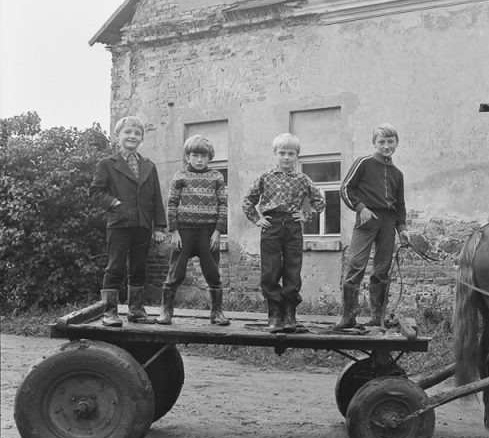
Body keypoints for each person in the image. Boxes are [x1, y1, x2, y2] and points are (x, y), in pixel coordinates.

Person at [242, 133, 325, 333]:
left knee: (292, 270)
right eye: (282, 153)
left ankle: (289, 312)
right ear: (275, 154)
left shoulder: (302, 179)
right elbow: (248, 201)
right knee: (270, 270)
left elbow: (319, 201)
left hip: (293, 227)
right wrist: (257, 218)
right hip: (271, 225)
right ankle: (274, 313)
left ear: (297, 156)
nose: (286, 158)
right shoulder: (265, 177)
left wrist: (305, 215)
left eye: (291, 154)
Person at [89, 115, 167, 326]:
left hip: (142, 224)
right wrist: (113, 202)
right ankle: (110, 313)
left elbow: (157, 199)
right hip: (119, 224)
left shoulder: (149, 166)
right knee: (115, 267)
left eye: (137, 133)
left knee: (139, 268)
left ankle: (135, 311)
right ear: (117, 136)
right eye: (128, 132)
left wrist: (159, 226)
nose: (132, 136)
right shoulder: (107, 164)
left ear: (142, 138)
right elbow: (95, 192)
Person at [335, 123, 410, 330]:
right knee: (356, 265)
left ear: (396, 143)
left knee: (382, 270)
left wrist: (401, 228)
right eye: (382, 142)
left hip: (388, 223)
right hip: (367, 220)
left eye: (390, 142)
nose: (386, 146)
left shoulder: (397, 173)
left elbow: (400, 204)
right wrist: (361, 208)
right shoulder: (364, 163)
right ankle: (348, 317)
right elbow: (345, 188)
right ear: (374, 143)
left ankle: (378, 317)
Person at [159, 135, 229, 326]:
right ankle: (166, 311)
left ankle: (217, 312)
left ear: (210, 157)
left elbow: (223, 205)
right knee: (176, 272)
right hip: (185, 231)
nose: (199, 160)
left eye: (204, 156)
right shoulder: (180, 176)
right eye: (195, 155)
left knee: (213, 272)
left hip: (208, 233)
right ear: (187, 156)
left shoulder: (217, 177)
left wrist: (218, 231)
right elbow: (172, 204)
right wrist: (174, 231)